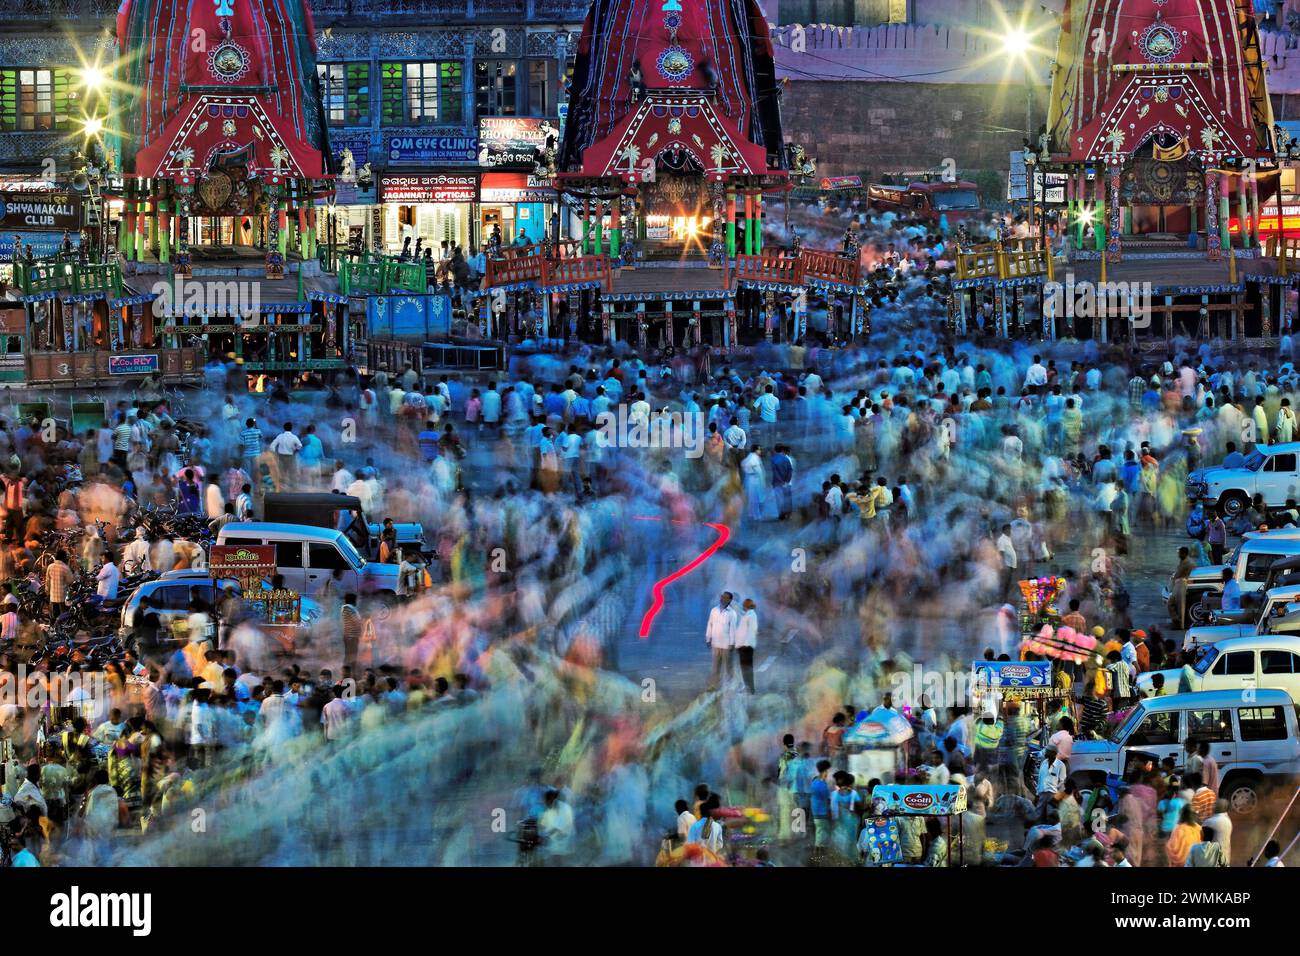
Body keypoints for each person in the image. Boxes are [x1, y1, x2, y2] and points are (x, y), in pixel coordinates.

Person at [705, 591, 738, 691]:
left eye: (725, 597)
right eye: (722, 597)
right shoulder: (714, 611)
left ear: (729, 600)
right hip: (716, 644)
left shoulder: (732, 613)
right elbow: (710, 624)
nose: (722, 599)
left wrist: (732, 643)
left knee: (728, 667)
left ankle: (731, 686)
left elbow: (733, 629)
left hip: (726, 644)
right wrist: (708, 637)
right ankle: (714, 686)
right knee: (715, 667)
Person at [734, 598, 758, 693]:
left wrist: (745, 644)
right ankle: (748, 687)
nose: (743, 606)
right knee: (745, 667)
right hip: (743, 645)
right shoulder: (748, 614)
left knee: (746, 667)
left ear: (747, 605)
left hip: (746, 646)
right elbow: (740, 611)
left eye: (744, 605)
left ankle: (750, 688)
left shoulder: (751, 615)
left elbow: (753, 630)